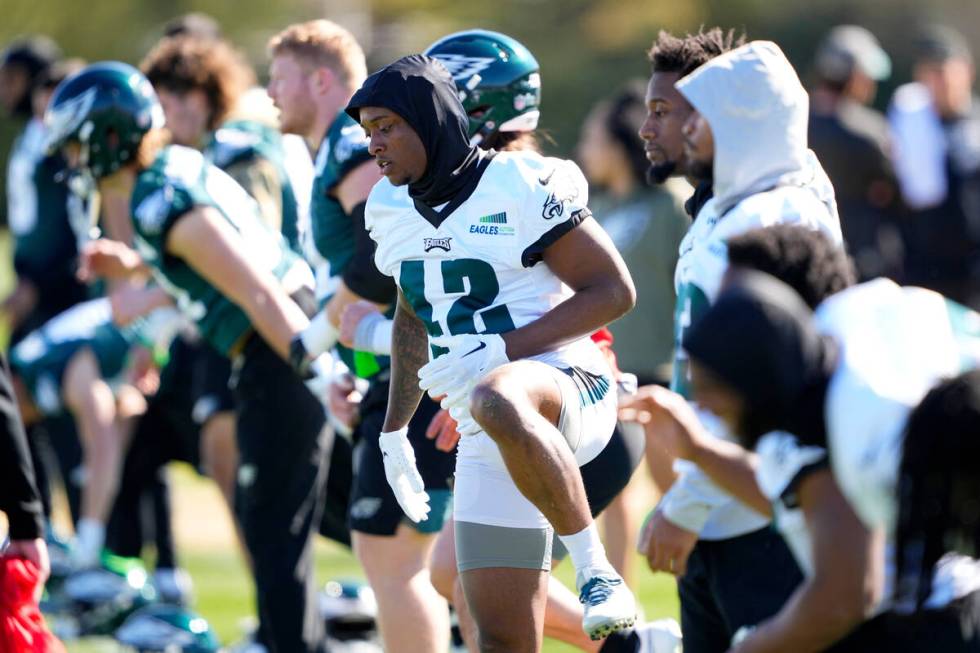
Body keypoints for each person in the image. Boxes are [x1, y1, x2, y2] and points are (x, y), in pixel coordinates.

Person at [46, 61, 340, 653]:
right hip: (282, 341)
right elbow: (210, 258)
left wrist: (318, 371)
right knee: (308, 521)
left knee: (275, 535)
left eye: (79, 145)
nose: (75, 161)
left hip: (277, 348)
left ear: (108, 137)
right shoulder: (171, 169)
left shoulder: (162, 200)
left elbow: (256, 287)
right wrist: (134, 265)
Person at [346, 54, 638, 650]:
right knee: (499, 637)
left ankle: (596, 572)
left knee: (496, 390)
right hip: (489, 421)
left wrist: (501, 350)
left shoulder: (521, 182)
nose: (374, 144)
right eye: (367, 130)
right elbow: (412, 316)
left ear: (428, 120)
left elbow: (614, 290)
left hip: (565, 382)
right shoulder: (389, 206)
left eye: (386, 127)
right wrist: (393, 429)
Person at [655, 269, 980, 651]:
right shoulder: (838, 324)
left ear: (756, 385)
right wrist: (698, 450)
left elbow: (848, 597)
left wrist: (748, 647)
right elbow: (799, 504)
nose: (702, 404)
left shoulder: (858, 427)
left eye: (712, 389)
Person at [265, 20, 458, 653]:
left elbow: (383, 254)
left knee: (398, 564)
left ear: (321, 80)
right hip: (388, 370)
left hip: (416, 373)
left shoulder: (355, 149)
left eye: (280, 78)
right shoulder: (333, 151)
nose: (270, 92)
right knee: (420, 565)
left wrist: (317, 337)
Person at [637, 32, 819, 653]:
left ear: (743, 125)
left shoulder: (774, 219)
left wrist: (685, 505)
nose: (683, 132)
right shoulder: (725, 206)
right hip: (723, 497)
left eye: (698, 118)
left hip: (760, 505)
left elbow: (754, 389)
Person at [889, 25, 980, 310]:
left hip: (973, 273)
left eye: (943, 72)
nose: (937, 83)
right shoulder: (910, 127)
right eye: (930, 74)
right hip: (925, 272)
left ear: (966, 71)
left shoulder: (975, 124)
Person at [808, 25, 902, 281]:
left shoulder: (796, 120)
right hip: (862, 264)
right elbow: (896, 195)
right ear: (853, 75)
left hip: (811, 259)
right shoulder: (870, 133)